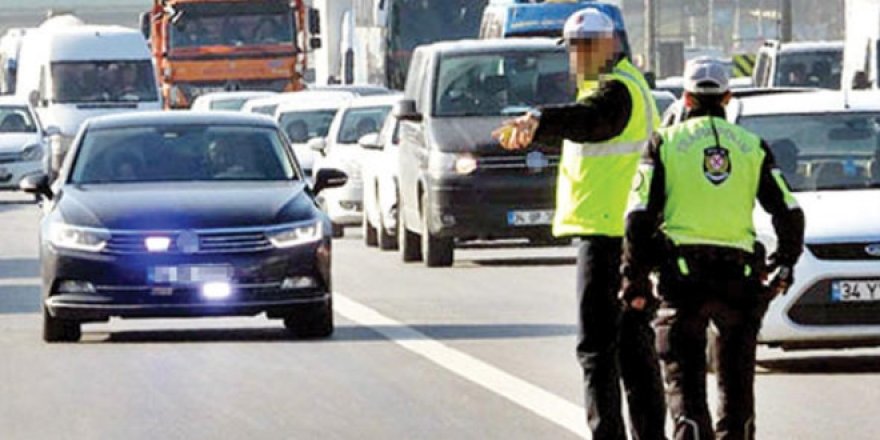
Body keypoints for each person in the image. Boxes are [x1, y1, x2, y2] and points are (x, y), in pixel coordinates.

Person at [493, 8, 666, 440]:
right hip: (629, 234)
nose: (576, 58)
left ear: (611, 45)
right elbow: (588, 119)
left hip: (608, 235)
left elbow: (591, 120)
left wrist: (540, 121)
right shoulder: (629, 85)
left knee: (597, 350)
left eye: (585, 48)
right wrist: (544, 124)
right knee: (631, 349)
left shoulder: (617, 91)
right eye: (572, 49)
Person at [621, 58, 806, 440]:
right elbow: (789, 210)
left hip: (682, 279)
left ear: (686, 98)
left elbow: (638, 217)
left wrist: (634, 282)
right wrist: (785, 263)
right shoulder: (752, 146)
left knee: (685, 385)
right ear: (727, 97)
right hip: (739, 280)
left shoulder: (663, 143)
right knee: (737, 389)